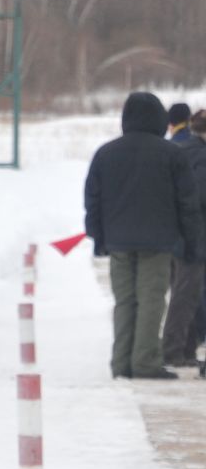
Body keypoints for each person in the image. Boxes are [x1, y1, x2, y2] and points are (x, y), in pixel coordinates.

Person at [83, 91, 205, 380]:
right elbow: (187, 203)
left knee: (125, 300)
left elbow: (93, 200)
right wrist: (190, 241)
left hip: (118, 242)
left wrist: (99, 238)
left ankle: (121, 362)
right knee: (151, 299)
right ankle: (146, 361)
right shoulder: (172, 154)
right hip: (158, 241)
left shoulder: (106, 153)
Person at [162, 108, 206, 368]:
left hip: (179, 234)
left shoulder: (184, 151)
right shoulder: (199, 156)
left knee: (187, 294)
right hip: (194, 236)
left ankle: (186, 351)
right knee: (186, 295)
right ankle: (174, 351)